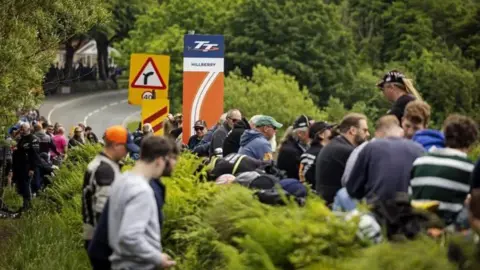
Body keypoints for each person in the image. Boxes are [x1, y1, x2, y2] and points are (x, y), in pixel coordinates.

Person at [107, 136, 177, 269]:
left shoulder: (122, 180)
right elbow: (129, 237)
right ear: (159, 160)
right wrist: (157, 258)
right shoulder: (142, 191)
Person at [411, 114, 478, 225]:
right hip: (448, 226)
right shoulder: (469, 167)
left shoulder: (420, 161)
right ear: (470, 143)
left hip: (417, 223)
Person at [82, 125, 137, 256]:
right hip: (104, 241)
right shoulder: (105, 171)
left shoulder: (100, 164)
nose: (127, 153)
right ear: (116, 145)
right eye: (126, 148)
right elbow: (104, 212)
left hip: (94, 236)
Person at [345, 118, 424, 203]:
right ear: (401, 131)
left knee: (342, 194)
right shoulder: (419, 149)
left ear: (378, 133)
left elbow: (352, 189)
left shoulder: (371, 147)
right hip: (410, 209)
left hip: (376, 209)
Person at [315, 113, 370, 205]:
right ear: (352, 130)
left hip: (324, 203)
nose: (368, 134)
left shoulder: (334, 145)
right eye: (365, 130)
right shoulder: (348, 151)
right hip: (336, 206)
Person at [12, 122, 40, 210]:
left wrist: (32, 168)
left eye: (23, 128)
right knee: (21, 186)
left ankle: (28, 207)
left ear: (28, 129)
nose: (22, 130)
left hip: (28, 166)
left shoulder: (33, 139)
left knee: (27, 185)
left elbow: (35, 156)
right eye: (21, 128)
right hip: (20, 166)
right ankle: (24, 205)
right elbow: (18, 148)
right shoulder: (21, 138)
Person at [299, 121, 335, 188]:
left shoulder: (327, 152)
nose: (333, 132)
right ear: (321, 135)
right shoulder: (310, 155)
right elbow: (306, 180)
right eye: (329, 129)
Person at [277, 115, 311, 179]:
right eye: (311, 132)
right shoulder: (290, 151)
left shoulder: (300, 146)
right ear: (300, 134)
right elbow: (300, 175)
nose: (313, 135)